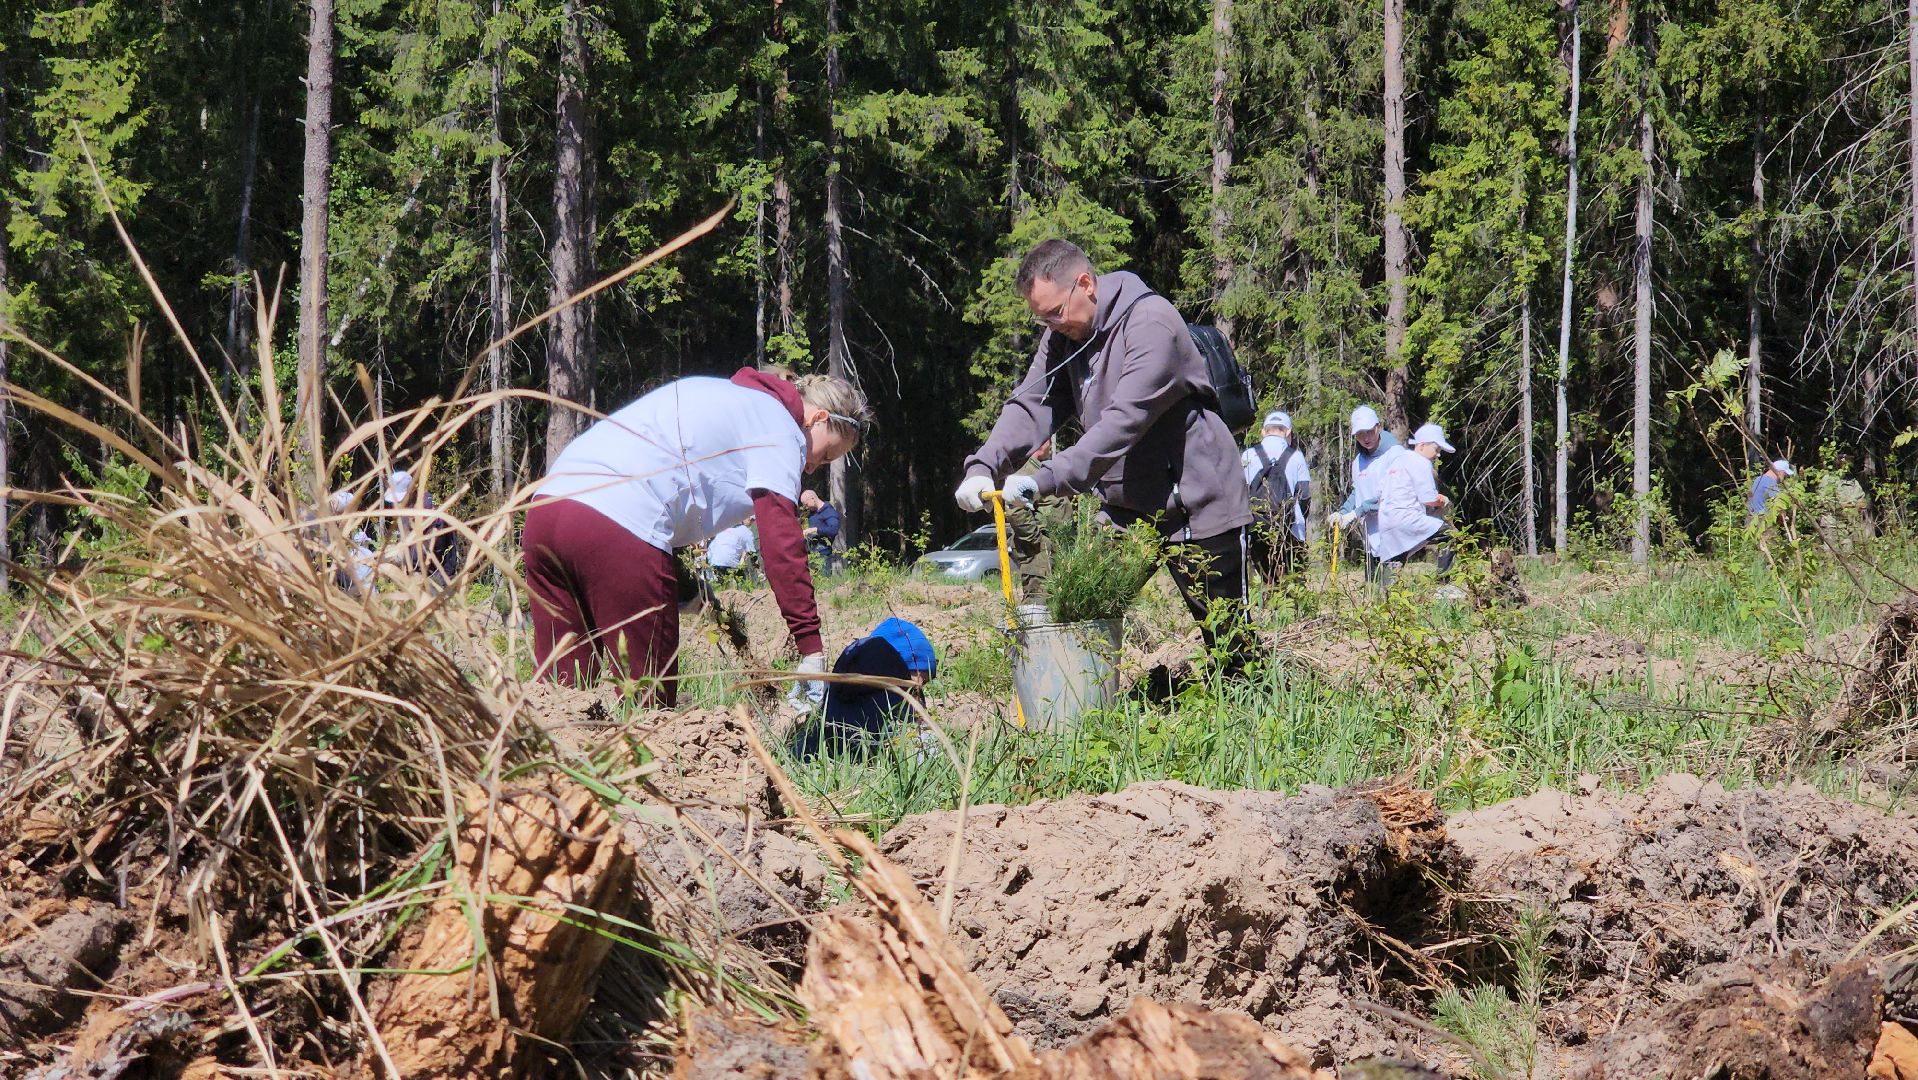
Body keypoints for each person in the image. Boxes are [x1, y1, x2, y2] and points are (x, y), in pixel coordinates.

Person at [954, 239, 1256, 668]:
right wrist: (983, 467)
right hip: (1126, 508)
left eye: (1055, 312)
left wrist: (1045, 478)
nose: (1051, 325)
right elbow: (1031, 404)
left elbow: (1123, 423)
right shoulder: (1062, 335)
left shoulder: (1152, 323)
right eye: (1041, 318)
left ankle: (1251, 720)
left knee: (1229, 644)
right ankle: (1082, 720)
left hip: (1199, 504)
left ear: (1085, 284)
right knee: (1078, 610)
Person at [523, 368, 869, 704]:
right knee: (646, 704)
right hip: (618, 524)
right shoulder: (780, 427)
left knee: (562, 694)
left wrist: (686, 587)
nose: (812, 467)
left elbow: (653, 473)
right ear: (819, 418)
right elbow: (782, 544)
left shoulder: (729, 397)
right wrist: (810, 648)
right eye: (825, 455)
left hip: (547, 511)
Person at [789, 617, 937, 760]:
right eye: (910, 688)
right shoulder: (880, 705)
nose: (916, 696)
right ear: (891, 669)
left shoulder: (839, 694)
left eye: (921, 687)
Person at [1369, 422, 1458, 588]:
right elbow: (1429, 499)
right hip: (1408, 518)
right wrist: (1443, 500)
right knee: (1451, 535)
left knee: (1394, 558)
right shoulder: (1421, 462)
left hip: (1387, 520)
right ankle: (1444, 586)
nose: (1438, 455)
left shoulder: (1399, 460)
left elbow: (1380, 492)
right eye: (1436, 449)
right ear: (1422, 445)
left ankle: (1385, 602)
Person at [1326, 405, 1400, 582]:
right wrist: (1343, 512)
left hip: (1394, 536)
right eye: (1360, 434)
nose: (1366, 438)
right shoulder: (1358, 461)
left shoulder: (1395, 455)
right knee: (1372, 592)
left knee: (1391, 594)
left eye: (1369, 431)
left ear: (1378, 427)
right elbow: (1357, 491)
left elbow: (1390, 495)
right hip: (1371, 538)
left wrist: (1357, 513)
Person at [1241, 411, 1311, 581]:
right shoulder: (1297, 456)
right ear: (1288, 432)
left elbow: (1240, 493)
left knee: (1266, 581)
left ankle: (1267, 606)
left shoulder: (1248, 455)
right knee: (1292, 582)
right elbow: (1304, 498)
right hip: (1290, 531)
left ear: (1263, 432)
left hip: (1256, 531)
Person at [380, 469, 465, 584]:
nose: (396, 504)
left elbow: (431, 551)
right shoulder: (407, 510)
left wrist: (401, 555)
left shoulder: (430, 513)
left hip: (436, 578)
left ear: (412, 492)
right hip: (416, 574)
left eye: (399, 499)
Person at [799, 489, 841, 571]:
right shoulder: (811, 513)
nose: (806, 507)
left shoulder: (828, 511)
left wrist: (815, 530)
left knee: (824, 581)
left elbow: (833, 529)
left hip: (823, 555)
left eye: (806, 504)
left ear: (812, 499)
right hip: (810, 554)